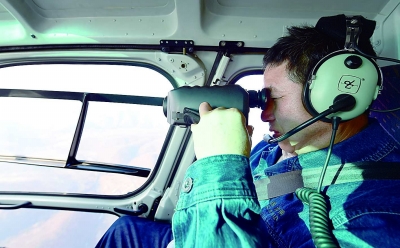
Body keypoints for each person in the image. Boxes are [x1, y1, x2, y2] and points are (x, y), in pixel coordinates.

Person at [96, 15, 400, 247]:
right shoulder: (281, 145)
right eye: (262, 98)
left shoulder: (369, 215)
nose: (264, 112)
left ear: (337, 97)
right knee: (125, 230)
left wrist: (220, 165)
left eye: (274, 98)